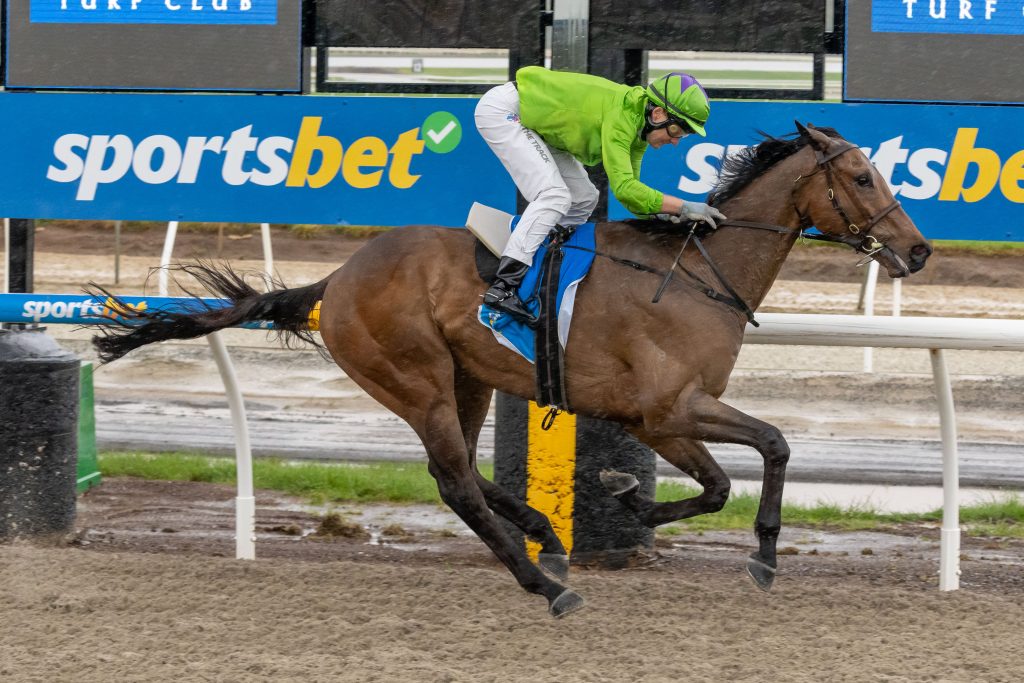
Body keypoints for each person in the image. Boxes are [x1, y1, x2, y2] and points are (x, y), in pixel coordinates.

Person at [475, 67, 727, 325]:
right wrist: (683, 206)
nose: (675, 141)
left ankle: (548, 262)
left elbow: (631, 194)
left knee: (585, 197)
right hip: (506, 111)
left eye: (682, 136)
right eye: (676, 131)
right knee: (555, 195)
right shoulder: (622, 118)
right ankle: (504, 286)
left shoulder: (639, 127)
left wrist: (662, 212)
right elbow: (625, 188)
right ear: (659, 113)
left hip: (537, 122)